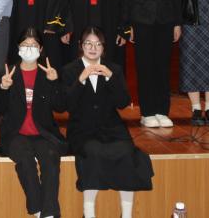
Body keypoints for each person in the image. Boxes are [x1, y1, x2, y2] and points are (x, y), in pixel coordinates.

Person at [63, 27, 153, 218]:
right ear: (81, 46)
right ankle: (89, 213)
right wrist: (81, 79)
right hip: (82, 129)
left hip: (111, 127)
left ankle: (126, 214)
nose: (93, 48)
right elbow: (66, 105)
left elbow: (122, 102)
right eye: (88, 43)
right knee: (92, 151)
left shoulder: (114, 69)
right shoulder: (70, 70)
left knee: (127, 151)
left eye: (98, 44)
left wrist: (111, 77)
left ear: (103, 48)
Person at [0, 29, 67, 218]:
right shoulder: (9, 73)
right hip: (16, 134)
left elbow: (61, 107)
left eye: (34, 45)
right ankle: (38, 210)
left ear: (41, 49)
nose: (29, 49)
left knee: (51, 159)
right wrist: (3, 88)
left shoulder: (47, 73)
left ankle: (49, 213)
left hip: (43, 133)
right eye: (25, 45)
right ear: (18, 48)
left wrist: (54, 83)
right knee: (25, 160)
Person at [123, 0, 183, 129]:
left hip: (165, 21)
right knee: (145, 67)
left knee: (162, 67)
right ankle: (147, 112)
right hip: (141, 22)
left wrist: (177, 23)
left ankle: (162, 111)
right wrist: (128, 25)